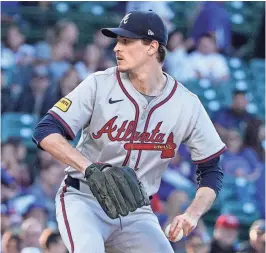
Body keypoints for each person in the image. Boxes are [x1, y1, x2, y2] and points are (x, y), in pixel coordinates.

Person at [32, 10, 226, 253]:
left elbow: (211, 169)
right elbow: (46, 129)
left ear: (152, 47)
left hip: (137, 212)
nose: (116, 48)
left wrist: (192, 214)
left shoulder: (186, 103)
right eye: (117, 41)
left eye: (126, 41)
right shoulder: (99, 84)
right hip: (84, 199)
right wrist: (88, 167)